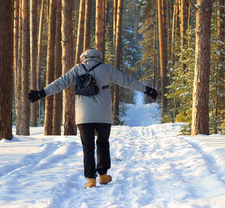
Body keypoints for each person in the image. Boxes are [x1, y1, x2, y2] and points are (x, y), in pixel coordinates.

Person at [28, 48, 158, 188]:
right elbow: (127, 81)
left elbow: (60, 83)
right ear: (98, 57)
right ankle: (102, 175)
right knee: (103, 143)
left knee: (88, 147)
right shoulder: (106, 69)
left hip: (84, 116)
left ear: (83, 58)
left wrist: (41, 93)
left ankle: (91, 179)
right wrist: (147, 89)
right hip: (103, 115)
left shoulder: (78, 69)